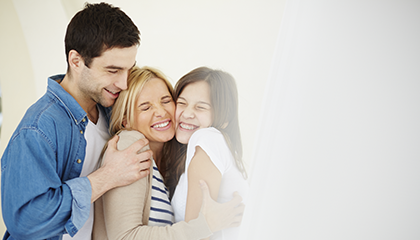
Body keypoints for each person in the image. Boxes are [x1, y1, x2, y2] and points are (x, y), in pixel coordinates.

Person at [0, 3, 152, 240]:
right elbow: (26, 221)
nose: (123, 83)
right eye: (112, 70)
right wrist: (108, 175)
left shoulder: (111, 110)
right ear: (76, 61)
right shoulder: (39, 127)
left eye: (128, 70)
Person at [93, 66, 244, 239]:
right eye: (145, 107)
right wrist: (205, 226)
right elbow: (125, 236)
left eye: (166, 101)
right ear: (126, 120)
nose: (161, 112)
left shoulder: (167, 162)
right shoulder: (131, 145)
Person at [170, 67, 249, 240]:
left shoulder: (206, 138)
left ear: (224, 118)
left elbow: (195, 235)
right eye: (182, 103)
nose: (187, 113)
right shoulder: (215, 147)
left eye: (201, 107)